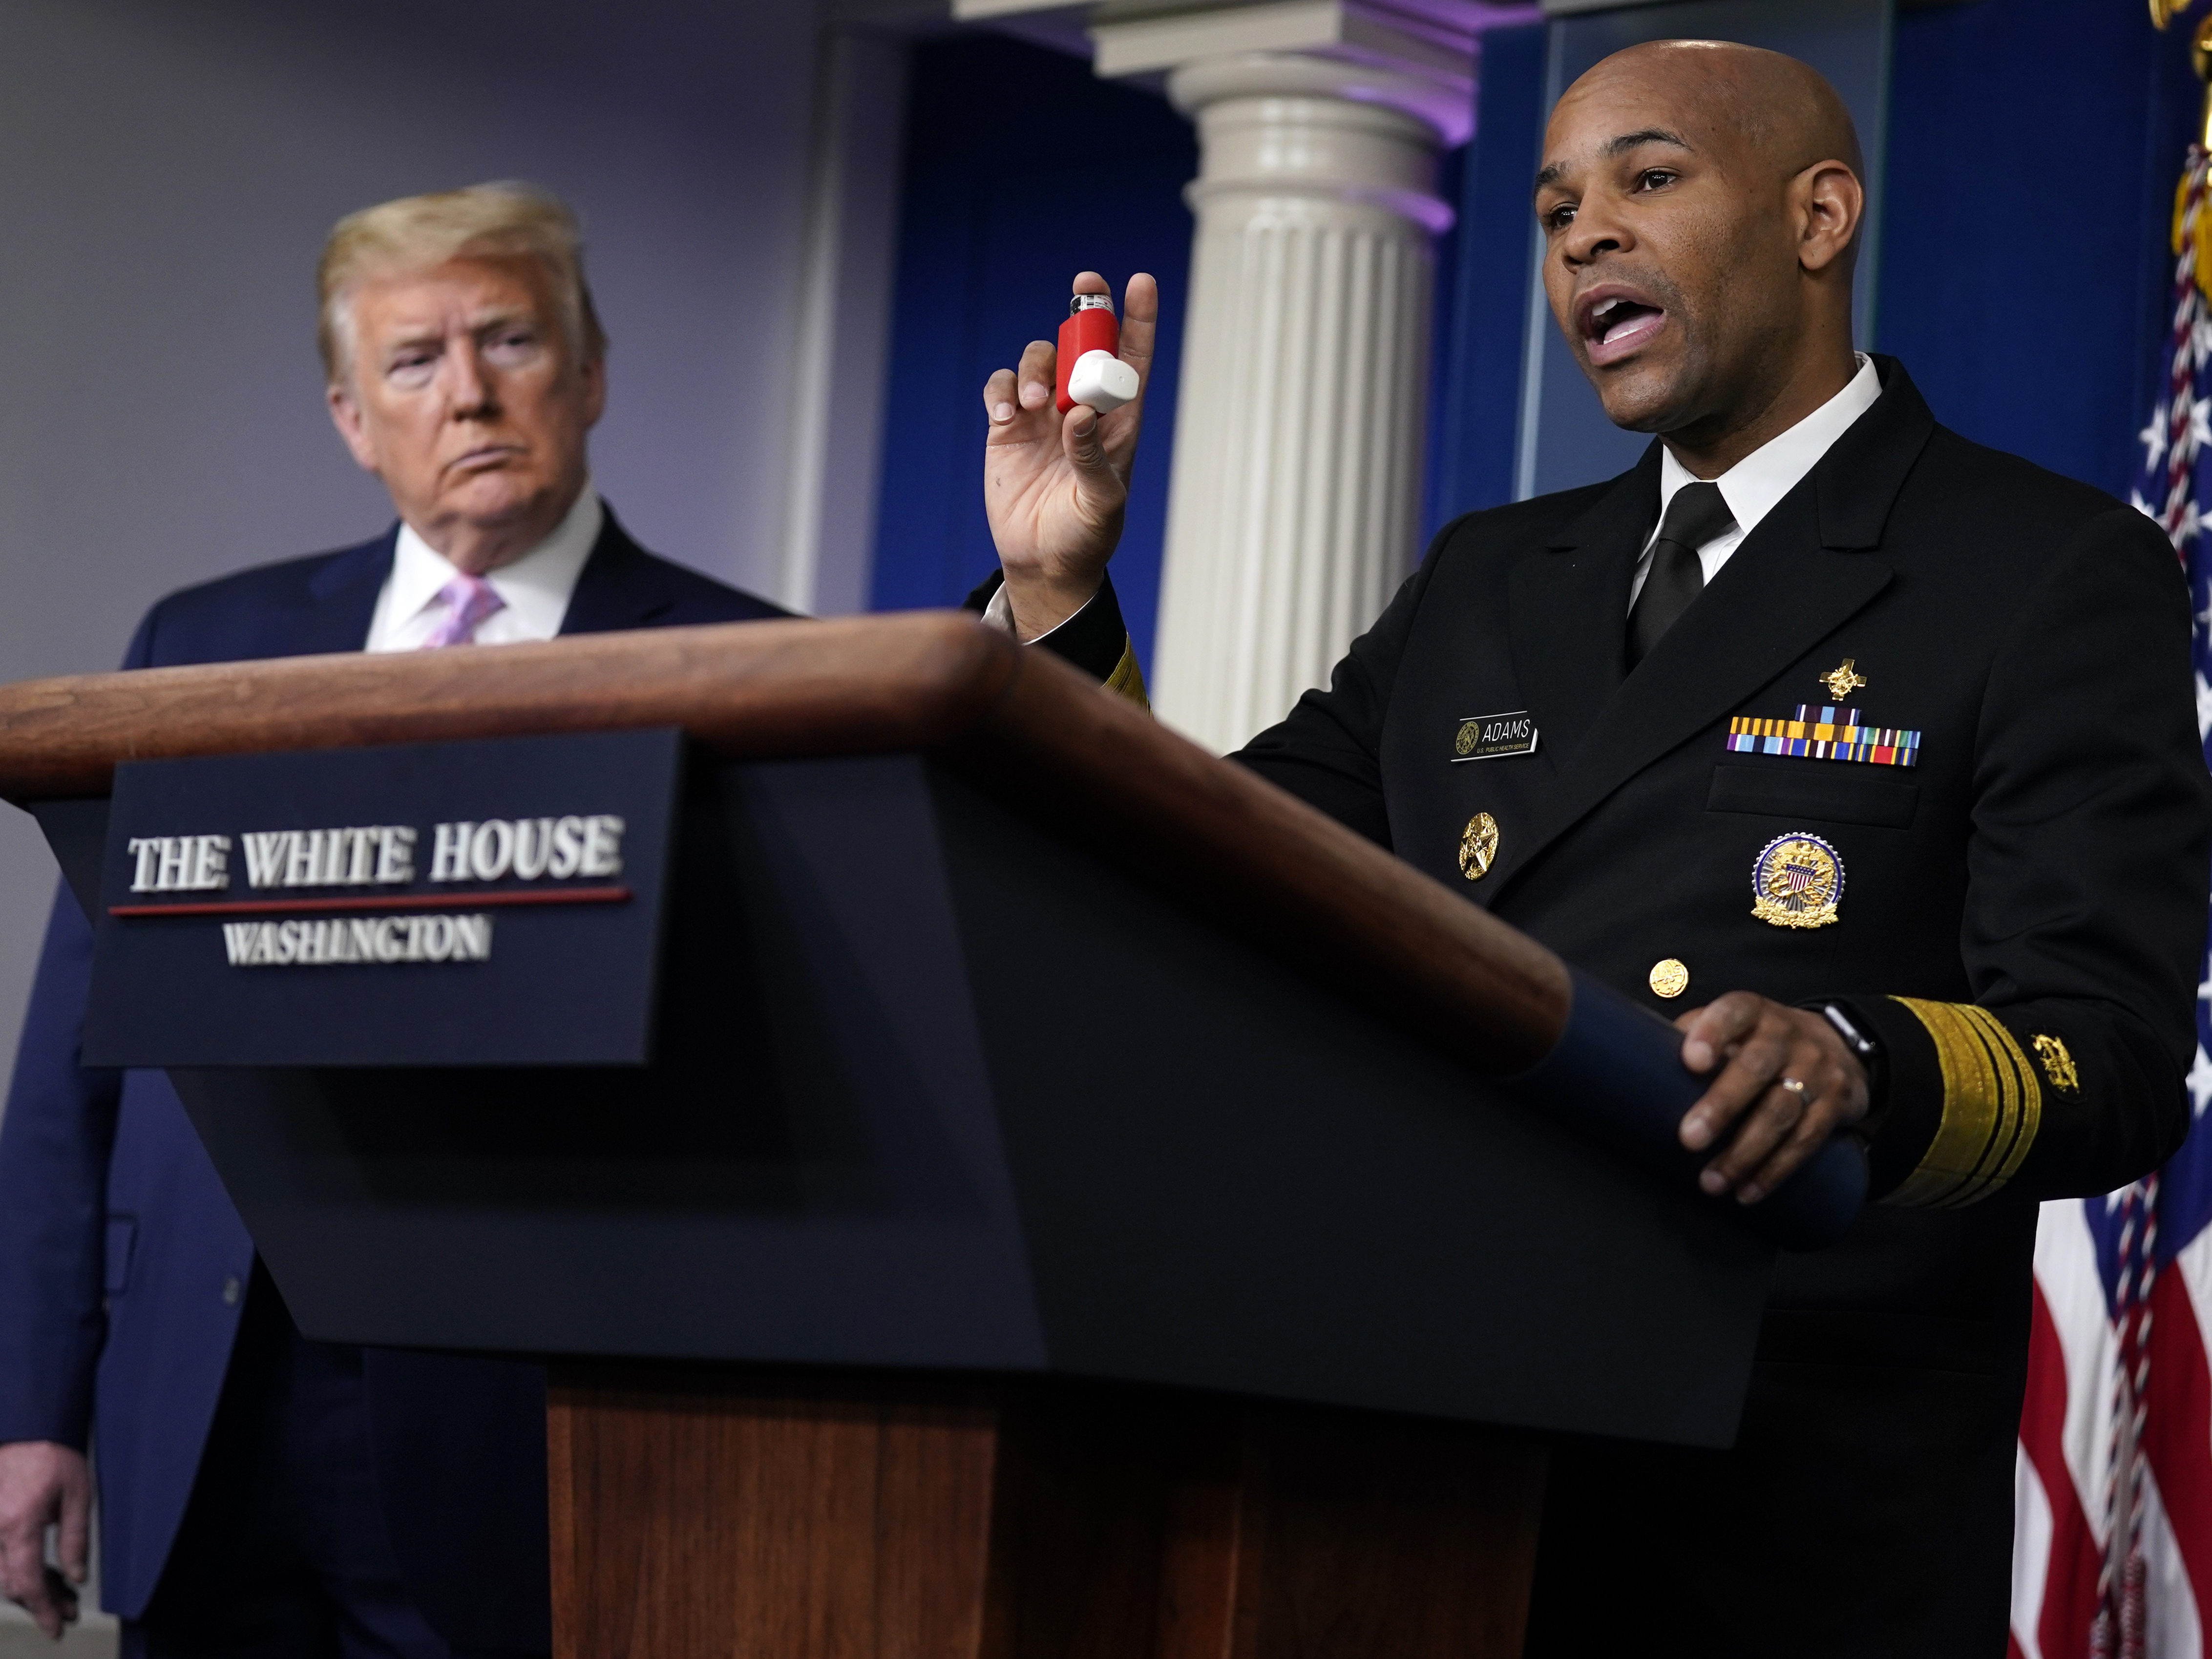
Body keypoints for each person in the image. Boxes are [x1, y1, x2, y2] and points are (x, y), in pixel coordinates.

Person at [975, 41, 2212, 1654]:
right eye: (1557, 206)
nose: (1581, 238)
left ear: (1819, 215)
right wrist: (1060, 598)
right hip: (1424, 1446)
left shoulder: (2041, 569)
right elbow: (1223, 863)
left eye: (1646, 180)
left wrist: (1857, 1066)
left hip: (1780, 1492)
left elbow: (2108, 1052)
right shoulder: (1491, 577)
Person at [0, 182, 782, 1657]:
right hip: (202, 1394)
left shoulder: (758, 667)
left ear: (594, 372)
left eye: (511, 341)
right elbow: (77, 1058)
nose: (470, 393)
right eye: (415, 362)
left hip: (529, 1420)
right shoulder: (199, 646)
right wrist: (29, 1404)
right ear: (354, 419)